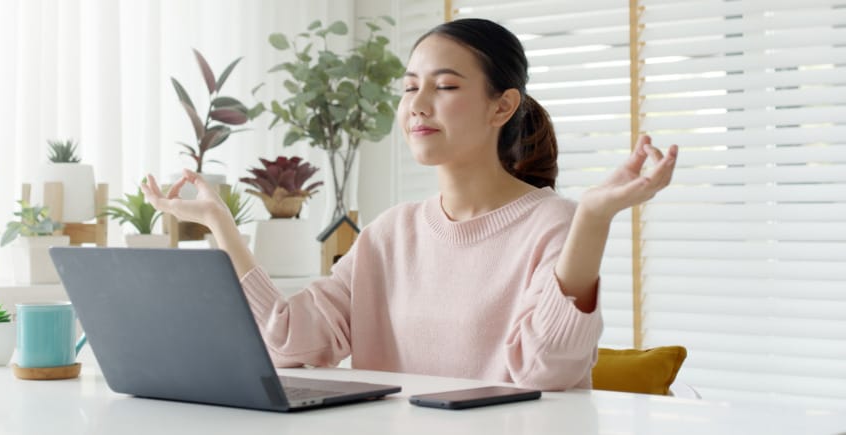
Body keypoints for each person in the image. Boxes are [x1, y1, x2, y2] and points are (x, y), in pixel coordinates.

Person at [141, 18, 678, 390]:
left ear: (503, 106)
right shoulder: (390, 233)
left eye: (444, 86)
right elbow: (288, 342)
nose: (417, 105)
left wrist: (594, 217)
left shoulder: (552, 223)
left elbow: (546, 374)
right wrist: (220, 225)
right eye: (408, 88)